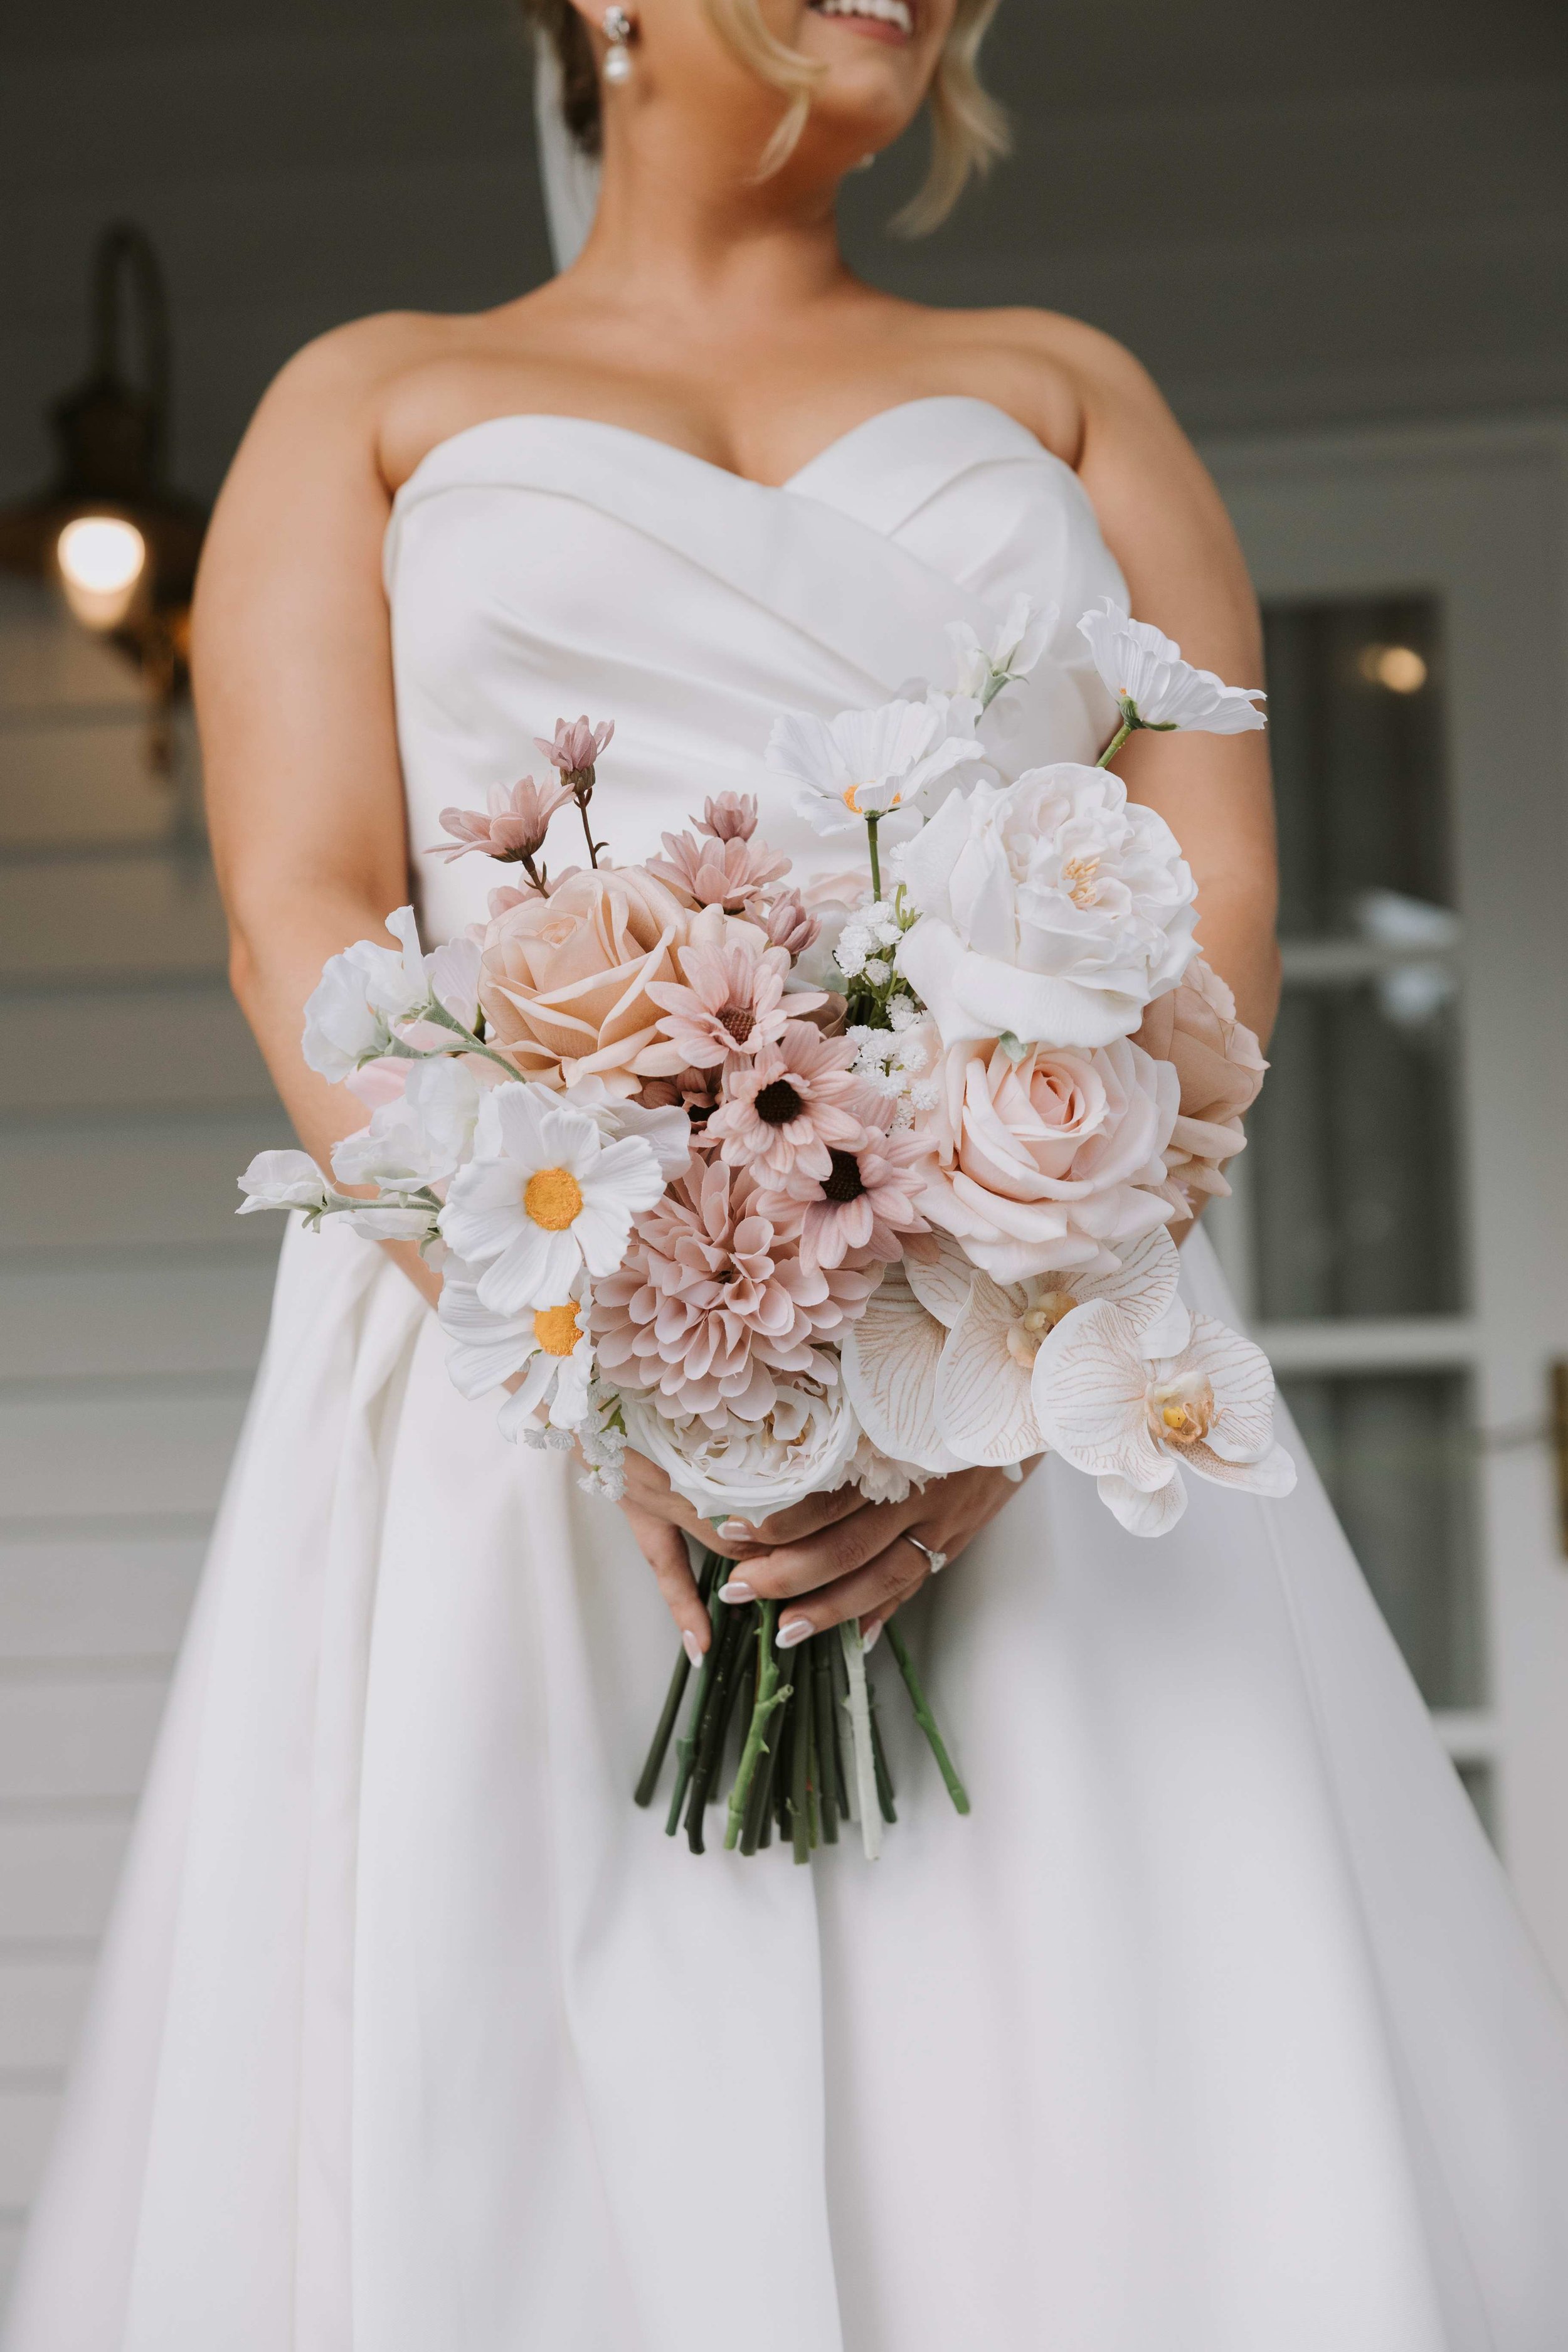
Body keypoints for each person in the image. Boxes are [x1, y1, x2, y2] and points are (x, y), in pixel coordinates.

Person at [9, 4, 1568, 2346]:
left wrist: (1003, 1364)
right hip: (515, 1382)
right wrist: (610, 1355)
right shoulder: (371, 398)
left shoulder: (1065, 387)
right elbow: (303, 916)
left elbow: (1204, 922)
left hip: (1033, 1385)